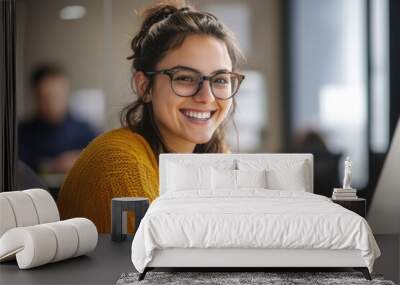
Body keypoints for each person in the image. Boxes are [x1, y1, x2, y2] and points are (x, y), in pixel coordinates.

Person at [57, 1, 245, 233]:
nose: (206, 97)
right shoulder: (119, 165)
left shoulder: (212, 157)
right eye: (185, 78)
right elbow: (160, 265)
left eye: (220, 80)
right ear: (145, 86)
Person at [18, 65, 98, 174]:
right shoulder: (22, 132)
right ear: (36, 95)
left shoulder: (85, 130)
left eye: (58, 95)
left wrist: (82, 160)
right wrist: (52, 166)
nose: (53, 104)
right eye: (46, 97)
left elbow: (102, 157)